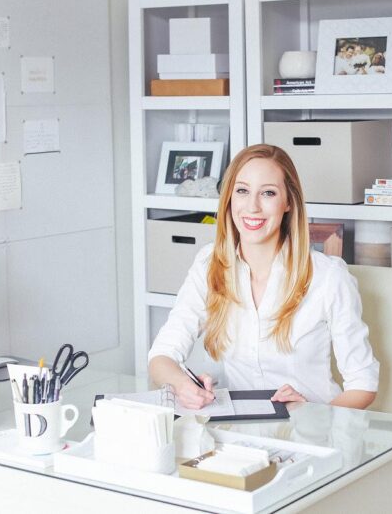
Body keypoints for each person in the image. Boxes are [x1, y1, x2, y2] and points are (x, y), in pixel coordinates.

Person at [148, 144, 379, 410]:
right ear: (229, 199)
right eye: (242, 191)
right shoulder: (209, 265)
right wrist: (183, 386)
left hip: (314, 434)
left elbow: (363, 383)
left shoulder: (328, 277)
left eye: (268, 193)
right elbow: (162, 356)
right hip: (242, 433)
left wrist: (315, 415)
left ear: (288, 202)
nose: (252, 207)